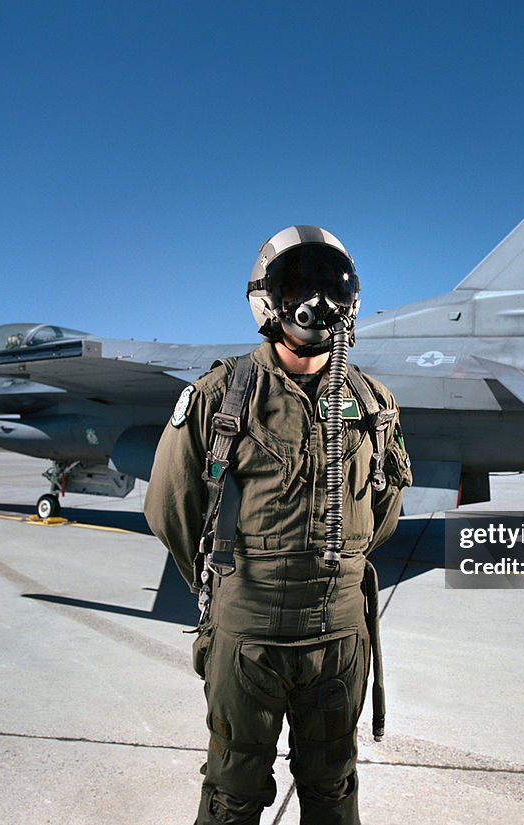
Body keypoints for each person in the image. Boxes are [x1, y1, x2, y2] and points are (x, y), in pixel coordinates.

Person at [145, 225, 412, 825]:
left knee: (333, 789)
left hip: (339, 638)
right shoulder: (221, 396)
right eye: (300, 288)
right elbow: (171, 505)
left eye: (330, 288)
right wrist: (236, 587)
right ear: (267, 299)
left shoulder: (373, 402)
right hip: (251, 640)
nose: (317, 306)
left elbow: (383, 511)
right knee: (232, 792)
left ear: (351, 301)